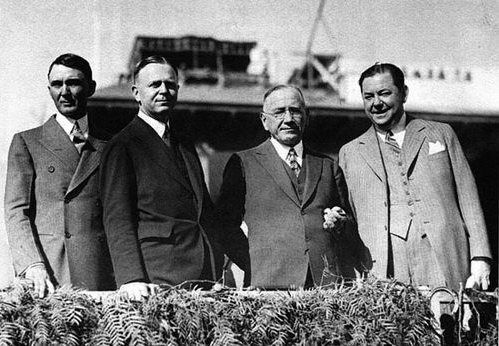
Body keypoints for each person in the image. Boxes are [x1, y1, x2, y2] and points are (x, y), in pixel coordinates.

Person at [337, 62, 492, 290]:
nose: (376, 103)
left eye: (384, 93)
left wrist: (481, 258)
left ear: (404, 94)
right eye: (368, 96)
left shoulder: (441, 133)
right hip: (385, 273)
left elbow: (468, 199)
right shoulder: (349, 152)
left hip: (445, 260)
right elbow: (350, 217)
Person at [216, 84, 367, 289]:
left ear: (307, 116)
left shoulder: (328, 165)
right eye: (279, 112)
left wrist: (341, 223)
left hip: (326, 287)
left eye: (295, 111)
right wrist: (254, 262)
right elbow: (224, 227)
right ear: (264, 121)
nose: (288, 119)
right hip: (269, 287)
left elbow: (350, 225)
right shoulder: (243, 163)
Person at [99, 55, 224, 300]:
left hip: (202, 278)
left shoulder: (184, 144)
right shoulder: (122, 145)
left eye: (170, 84)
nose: (164, 91)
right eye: (155, 85)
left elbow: (202, 211)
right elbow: (118, 218)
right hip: (155, 278)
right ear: (136, 93)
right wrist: (131, 278)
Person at [4, 53, 115, 296]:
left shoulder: (111, 145)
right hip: (46, 274)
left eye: (73, 83)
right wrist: (32, 264)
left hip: (99, 271)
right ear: (49, 89)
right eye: (57, 84)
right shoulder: (28, 142)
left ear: (91, 88)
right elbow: (16, 213)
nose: (64, 92)